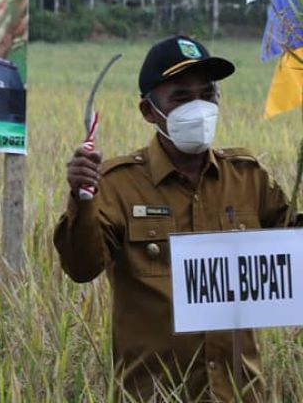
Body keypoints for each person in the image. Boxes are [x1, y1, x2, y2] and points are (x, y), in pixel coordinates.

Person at [54, 35, 295, 401]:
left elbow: (295, 255)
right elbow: (81, 267)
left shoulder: (249, 178)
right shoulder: (118, 185)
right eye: (181, 97)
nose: (198, 107)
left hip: (238, 393)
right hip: (153, 394)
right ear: (149, 111)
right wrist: (81, 196)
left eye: (208, 94)